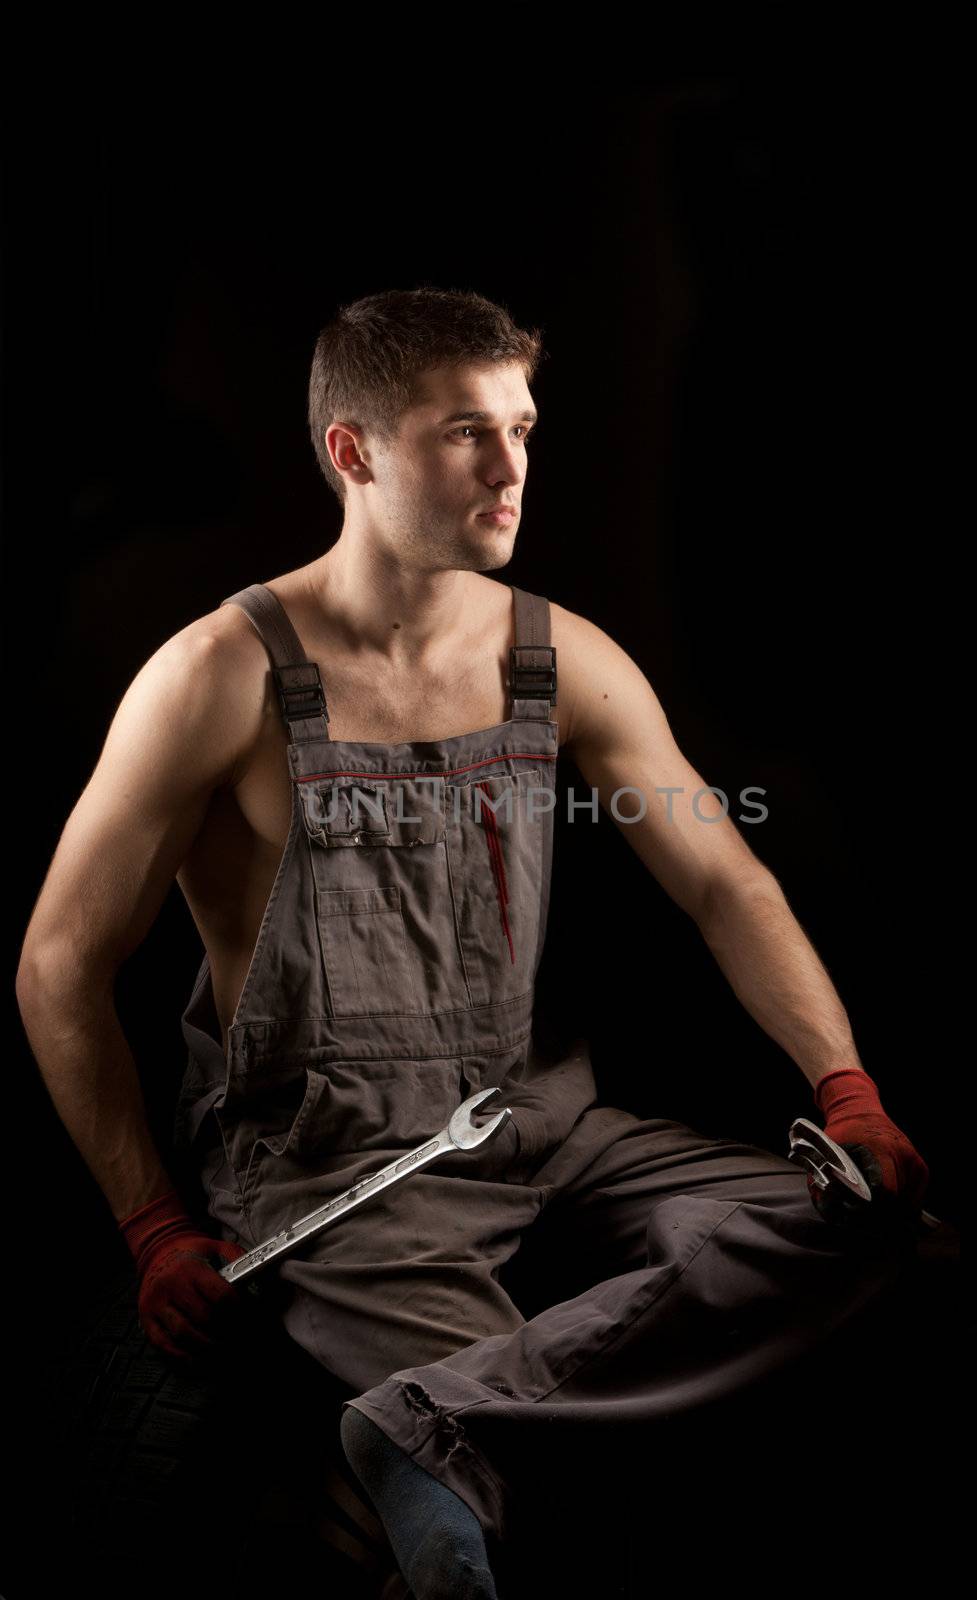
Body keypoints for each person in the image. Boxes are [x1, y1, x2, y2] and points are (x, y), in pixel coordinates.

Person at [16, 286, 930, 1600]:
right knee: (531, 1528)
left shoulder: (566, 661)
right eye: (465, 434)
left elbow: (724, 880)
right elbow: (57, 965)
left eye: (523, 427)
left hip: (542, 1126)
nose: (512, 470)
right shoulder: (217, 676)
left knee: (850, 1228)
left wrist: (843, 1085)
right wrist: (154, 1224)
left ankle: (423, 1436)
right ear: (355, 451)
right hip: (333, 1170)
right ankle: (428, 1464)